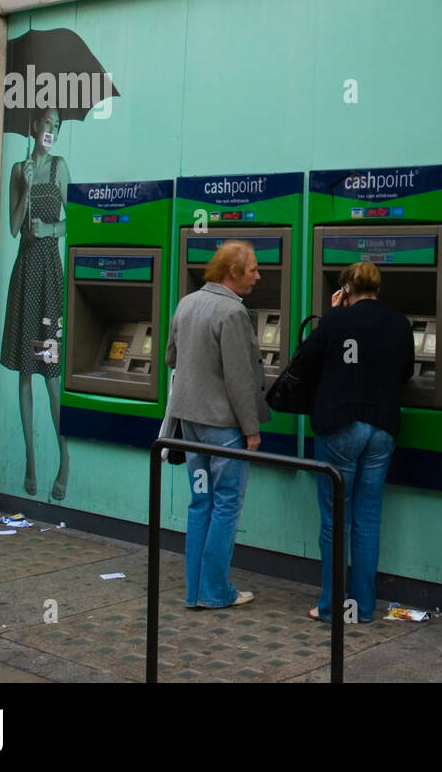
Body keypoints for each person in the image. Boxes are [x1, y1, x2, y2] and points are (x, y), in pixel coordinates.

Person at [295, 261, 414, 622]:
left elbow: (304, 362)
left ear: (345, 289)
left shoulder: (335, 320)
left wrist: (333, 316)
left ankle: (332, 606)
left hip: (340, 427)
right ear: (378, 289)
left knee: (335, 521)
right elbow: (407, 371)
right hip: (381, 428)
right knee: (367, 519)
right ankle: (361, 608)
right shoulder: (399, 324)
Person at [165, 240, 268, 609]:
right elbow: (240, 380)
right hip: (224, 427)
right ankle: (215, 591)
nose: (258, 275)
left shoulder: (187, 302)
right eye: (253, 268)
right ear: (233, 271)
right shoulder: (233, 313)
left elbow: (170, 357)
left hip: (189, 423)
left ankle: (195, 591)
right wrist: (251, 429)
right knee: (226, 505)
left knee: (200, 503)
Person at [0, 109, 70, 499]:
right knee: (24, 373)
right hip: (24, 270)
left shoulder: (60, 167)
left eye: (57, 127)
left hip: (49, 271)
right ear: (34, 128)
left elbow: (76, 220)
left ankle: (64, 457)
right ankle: (30, 460)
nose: (52, 132)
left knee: (50, 372)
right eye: (48, 125)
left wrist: (53, 229)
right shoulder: (18, 169)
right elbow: (12, 228)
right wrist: (25, 190)